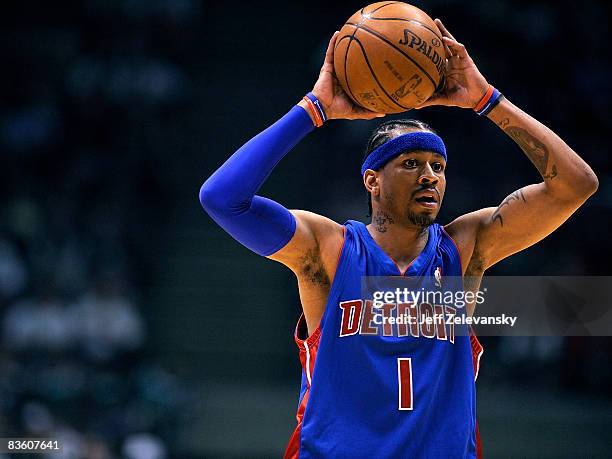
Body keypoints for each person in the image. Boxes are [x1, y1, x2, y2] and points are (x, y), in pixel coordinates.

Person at [199, 18, 598, 459]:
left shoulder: (466, 249)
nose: (429, 175)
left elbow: (577, 185)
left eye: (438, 166)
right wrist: (314, 109)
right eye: (411, 163)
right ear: (372, 180)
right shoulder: (329, 250)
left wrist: (487, 100)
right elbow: (222, 198)